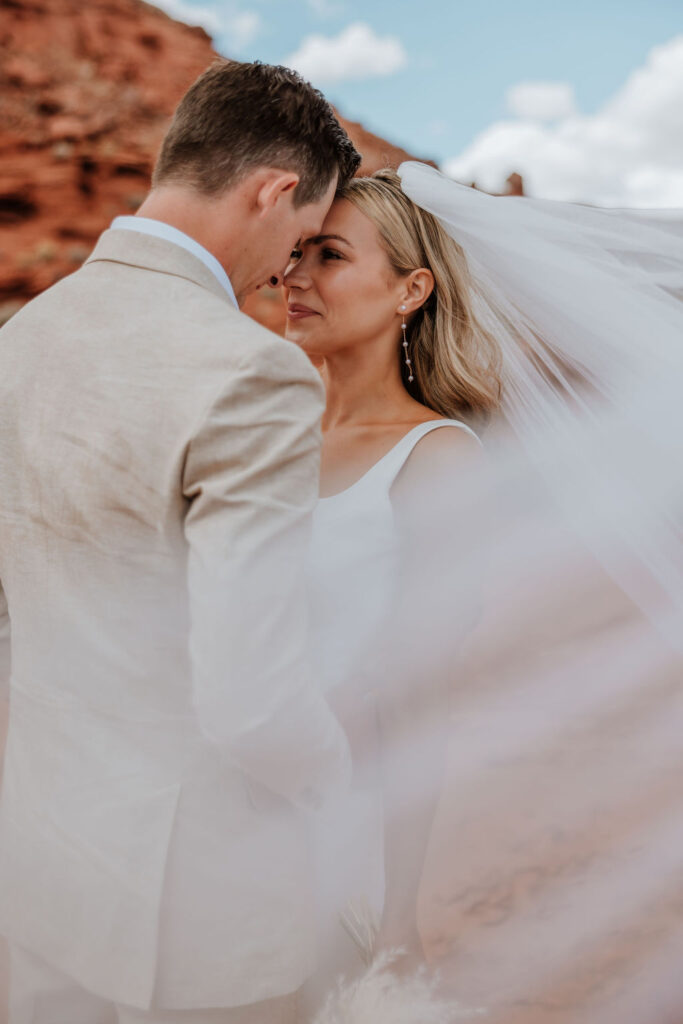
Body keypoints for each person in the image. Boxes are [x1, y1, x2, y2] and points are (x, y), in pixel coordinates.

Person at [0, 59, 360, 1024]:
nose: (289, 270)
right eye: (302, 237)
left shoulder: (21, 341)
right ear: (276, 191)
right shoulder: (251, 375)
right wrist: (346, 781)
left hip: (33, 879)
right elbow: (251, 703)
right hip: (199, 914)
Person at [284, 165, 683, 1022]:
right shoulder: (266, 440)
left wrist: (394, 913)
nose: (296, 278)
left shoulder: (434, 458)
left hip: (325, 819)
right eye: (292, 254)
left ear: (410, 290)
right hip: (207, 801)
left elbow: (412, 694)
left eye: (329, 255)